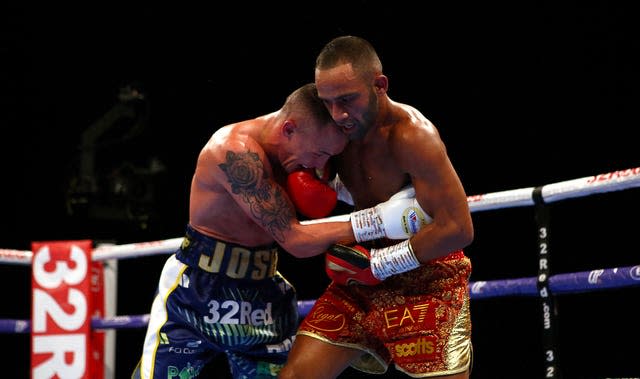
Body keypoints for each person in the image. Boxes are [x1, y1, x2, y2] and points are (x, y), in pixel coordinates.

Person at [278, 36, 475, 379]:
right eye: (327, 103)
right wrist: (323, 185)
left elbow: (458, 228)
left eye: (347, 100)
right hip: (360, 281)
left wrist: (381, 264)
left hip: (426, 278)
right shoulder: (335, 135)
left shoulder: (412, 136)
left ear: (379, 85)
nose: (338, 114)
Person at [131, 83, 357, 379]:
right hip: (196, 294)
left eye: (329, 155)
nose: (320, 164)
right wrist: (377, 220)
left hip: (262, 296)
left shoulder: (302, 155)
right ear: (289, 129)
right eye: (318, 153)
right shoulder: (234, 152)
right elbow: (295, 239)